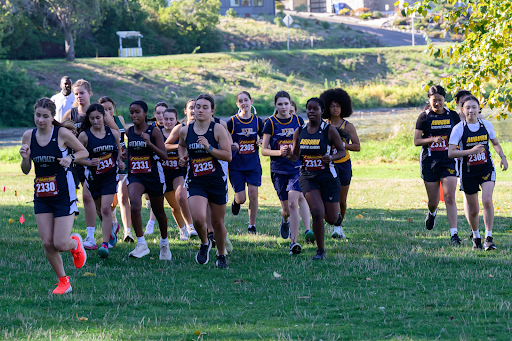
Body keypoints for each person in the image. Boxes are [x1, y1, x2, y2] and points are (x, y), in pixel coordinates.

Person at [19, 98, 88, 294]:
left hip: (63, 194)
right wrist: (25, 158)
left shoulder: (62, 134)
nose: (40, 120)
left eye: (45, 116)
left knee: (60, 243)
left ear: (52, 117)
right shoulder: (28, 136)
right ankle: (63, 281)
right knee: (47, 242)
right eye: (37, 115)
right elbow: (25, 170)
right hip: (41, 194)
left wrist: (70, 157)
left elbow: (83, 151)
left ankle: (75, 243)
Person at [62, 80, 120, 250]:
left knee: (90, 198)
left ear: (89, 93)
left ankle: (91, 236)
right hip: (80, 161)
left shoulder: (97, 111)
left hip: (99, 160)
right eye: (76, 93)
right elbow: (58, 133)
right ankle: (109, 228)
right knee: (93, 201)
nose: (79, 96)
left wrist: (119, 155)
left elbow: (116, 132)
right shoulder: (70, 114)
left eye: (82, 92)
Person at [178, 94, 232, 268]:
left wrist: (209, 148)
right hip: (196, 180)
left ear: (212, 111)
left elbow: (228, 155)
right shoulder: (186, 130)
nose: (199, 110)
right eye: (197, 107)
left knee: (217, 223)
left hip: (216, 180)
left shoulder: (217, 129)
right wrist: (182, 157)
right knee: (199, 219)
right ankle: (204, 243)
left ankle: (221, 255)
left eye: (204, 107)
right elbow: (181, 145)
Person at [288, 97, 346, 260]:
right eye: (309, 109)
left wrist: (331, 157)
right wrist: (287, 154)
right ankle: (320, 250)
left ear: (322, 111)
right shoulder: (300, 131)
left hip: (328, 176)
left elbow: (341, 151)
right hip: (308, 176)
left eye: (315, 109)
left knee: (331, 218)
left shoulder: (329, 130)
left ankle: (336, 217)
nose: (311, 111)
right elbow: (295, 157)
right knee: (317, 211)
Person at [448, 95, 508, 250]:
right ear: (462, 110)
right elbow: (451, 152)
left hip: (486, 168)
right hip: (468, 172)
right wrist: (470, 151)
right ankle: (476, 237)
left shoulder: (486, 125)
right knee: (474, 210)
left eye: (474, 107)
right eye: (467, 107)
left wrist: (502, 157)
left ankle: (489, 237)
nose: (471, 110)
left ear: (479, 108)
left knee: (487, 201)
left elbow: (495, 143)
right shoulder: (458, 129)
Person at [261, 90, 313, 255]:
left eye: (286, 103)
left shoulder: (298, 120)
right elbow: (263, 150)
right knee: (286, 209)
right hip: (278, 170)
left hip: (296, 167)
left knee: (293, 202)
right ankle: (285, 220)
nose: (284, 107)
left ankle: (294, 242)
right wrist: (279, 152)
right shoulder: (270, 123)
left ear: (291, 104)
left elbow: (305, 142)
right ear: (275, 106)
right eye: (280, 104)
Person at [414, 85, 461, 245]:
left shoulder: (453, 115)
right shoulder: (424, 117)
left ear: (444, 100)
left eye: (440, 101)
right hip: (430, 161)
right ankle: (432, 213)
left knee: (449, 197)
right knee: (434, 201)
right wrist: (432, 140)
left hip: (448, 160)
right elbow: (416, 141)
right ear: (429, 100)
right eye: (434, 101)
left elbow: (461, 134)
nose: (437, 104)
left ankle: (454, 235)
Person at [77, 104, 125, 258]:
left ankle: (104, 244)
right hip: (93, 178)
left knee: (106, 209)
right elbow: (76, 158)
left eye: (98, 117)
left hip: (110, 176)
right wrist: (89, 162)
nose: (96, 121)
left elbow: (118, 151)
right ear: (88, 119)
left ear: (104, 117)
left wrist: (120, 161)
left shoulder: (112, 133)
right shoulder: (84, 136)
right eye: (92, 118)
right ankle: (111, 228)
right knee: (99, 210)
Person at [126, 100, 172, 260]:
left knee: (159, 212)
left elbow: (164, 155)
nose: (134, 115)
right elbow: (130, 151)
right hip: (135, 174)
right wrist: (125, 155)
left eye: (137, 112)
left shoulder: (154, 131)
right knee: (135, 206)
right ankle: (141, 244)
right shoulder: (130, 131)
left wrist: (149, 143)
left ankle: (164, 244)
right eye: (131, 112)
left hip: (153, 175)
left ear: (145, 113)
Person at [319, 88, 360, 239]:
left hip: (343, 165)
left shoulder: (348, 126)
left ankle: (338, 227)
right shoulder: (323, 125)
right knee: (329, 198)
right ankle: (333, 223)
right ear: (326, 108)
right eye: (332, 106)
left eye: (338, 105)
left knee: (342, 200)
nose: (335, 109)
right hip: (327, 165)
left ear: (343, 107)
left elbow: (357, 146)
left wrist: (342, 145)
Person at [227, 91, 263, 234]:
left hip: (253, 164)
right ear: (237, 104)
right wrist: (231, 144)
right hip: (236, 165)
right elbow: (224, 139)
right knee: (242, 198)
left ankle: (251, 226)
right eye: (240, 101)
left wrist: (261, 141)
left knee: (253, 194)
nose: (244, 103)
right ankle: (236, 202)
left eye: (246, 100)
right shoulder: (232, 121)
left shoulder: (258, 121)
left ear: (251, 101)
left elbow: (264, 138)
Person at [150, 107, 189, 240]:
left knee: (181, 197)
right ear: (160, 119)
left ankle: (190, 227)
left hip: (178, 172)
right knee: (174, 207)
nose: (168, 121)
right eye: (165, 119)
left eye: (171, 119)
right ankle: (182, 229)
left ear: (176, 120)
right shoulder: (156, 133)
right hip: (163, 174)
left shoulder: (180, 133)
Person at [98, 96, 133, 243]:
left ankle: (128, 232)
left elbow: (126, 136)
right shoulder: (98, 122)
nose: (107, 112)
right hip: (107, 160)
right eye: (104, 109)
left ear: (114, 108)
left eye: (110, 109)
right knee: (111, 202)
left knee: (123, 197)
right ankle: (113, 223)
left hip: (122, 158)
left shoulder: (120, 119)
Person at [165, 99, 198, 239]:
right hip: (171, 170)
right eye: (191, 107)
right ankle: (183, 229)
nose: (194, 110)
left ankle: (192, 227)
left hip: (195, 170)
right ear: (185, 111)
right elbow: (165, 146)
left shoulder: (205, 127)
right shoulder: (180, 128)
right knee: (175, 204)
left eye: (197, 107)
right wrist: (181, 149)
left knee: (184, 197)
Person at [144, 102, 169, 234]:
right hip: (152, 166)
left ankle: (151, 224)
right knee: (150, 196)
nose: (161, 116)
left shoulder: (174, 127)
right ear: (154, 115)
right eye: (158, 113)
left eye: (163, 113)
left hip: (170, 167)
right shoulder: (150, 128)